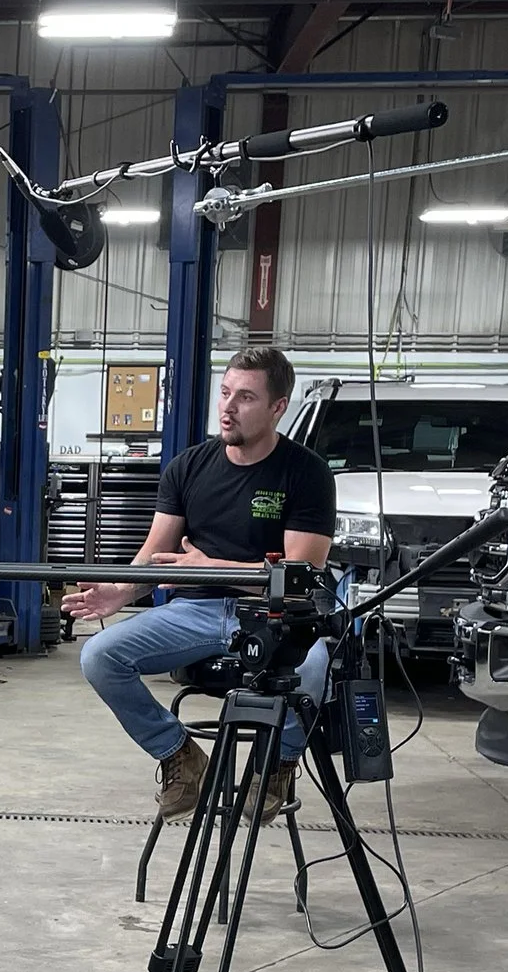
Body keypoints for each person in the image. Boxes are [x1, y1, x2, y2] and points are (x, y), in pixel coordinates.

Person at [67, 346, 336, 823]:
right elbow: (156, 552)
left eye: (246, 398)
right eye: (226, 393)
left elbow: (298, 580)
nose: (228, 408)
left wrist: (210, 566)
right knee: (99, 656)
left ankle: (275, 766)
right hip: (195, 611)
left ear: (278, 407)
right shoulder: (188, 467)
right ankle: (179, 757)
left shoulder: (307, 472)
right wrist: (123, 589)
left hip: (278, 616)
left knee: (313, 669)